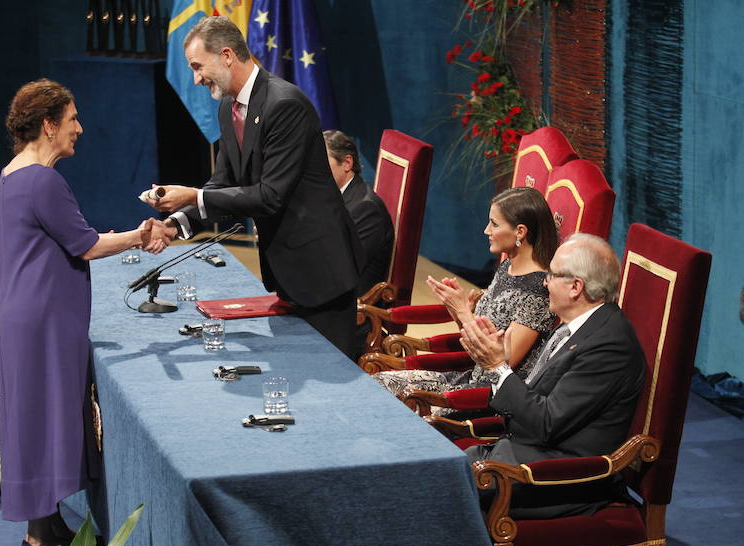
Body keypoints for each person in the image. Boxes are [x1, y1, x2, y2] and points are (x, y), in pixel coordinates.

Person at [0, 79, 167, 546]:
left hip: (25, 311)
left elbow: (65, 239)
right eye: (72, 119)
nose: (80, 128)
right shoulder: (41, 180)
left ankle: (46, 526)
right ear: (48, 125)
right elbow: (87, 244)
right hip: (44, 317)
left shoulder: (13, 173)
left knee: (33, 416)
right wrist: (140, 235)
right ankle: (40, 538)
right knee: (44, 415)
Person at [144, 16, 363, 357]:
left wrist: (192, 195)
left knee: (331, 381)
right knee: (295, 371)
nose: (196, 78)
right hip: (286, 270)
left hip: (321, 271)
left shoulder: (284, 104)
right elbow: (225, 182)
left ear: (227, 55)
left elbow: (270, 195)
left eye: (198, 67)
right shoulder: (228, 108)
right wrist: (176, 223)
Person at [459, 233, 646, 519]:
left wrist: (499, 368)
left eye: (551, 275)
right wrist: (503, 365)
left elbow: (547, 422)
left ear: (575, 287)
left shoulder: (609, 346)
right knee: (433, 468)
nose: (544, 282)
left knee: (439, 492)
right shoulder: (575, 327)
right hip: (521, 454)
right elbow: (537, 402)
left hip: (558, 478)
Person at [374, 187, 558, 415]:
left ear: (520, 231)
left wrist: (464, 313)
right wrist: (458, 311)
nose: (486, 230)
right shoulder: (506, 268)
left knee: (400, 404)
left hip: (486, 398)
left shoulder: (538, 292)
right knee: (379, 383)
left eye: (495, 224)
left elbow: (502, 365)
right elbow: (476, 346)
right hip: (469, 377)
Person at [323, 129, 394, 295]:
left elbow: (341, 269)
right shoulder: (326, 195)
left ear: (347, 163)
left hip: (349, 307)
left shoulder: (366, 209)